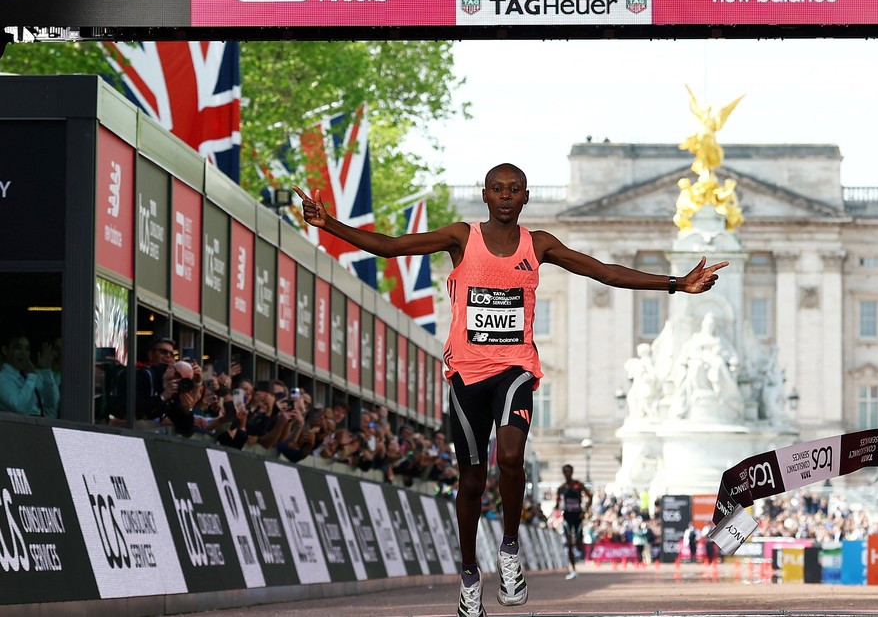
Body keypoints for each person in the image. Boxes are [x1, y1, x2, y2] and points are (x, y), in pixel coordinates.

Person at [296, 162, 727, 617]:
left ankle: (509, 548)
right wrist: (330, 225)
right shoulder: (461, 238)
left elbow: (602, 271)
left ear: (525, 197)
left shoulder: (537, 244)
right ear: (485, 195)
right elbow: (391, 247)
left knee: (510, 458)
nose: (505, 195)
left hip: (515, 369)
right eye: (497, 189)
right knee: (471, 481)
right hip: (466, 373)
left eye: (514, 189)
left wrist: (676, 284)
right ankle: (468, 574)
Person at [555, 464, 592, 580]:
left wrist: (585, 511)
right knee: (569, 543)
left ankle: (579, 551)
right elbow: (557, 504)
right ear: (563, 473)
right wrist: (558, 509)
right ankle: (573, 569)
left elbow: (590, 496)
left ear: (572, 472)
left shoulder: (578, 485)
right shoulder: (561, 488)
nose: (567, 474)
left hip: (578, 516)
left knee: (578, 543)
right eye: (565, 471)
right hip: (567, 516)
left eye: (569, 471)